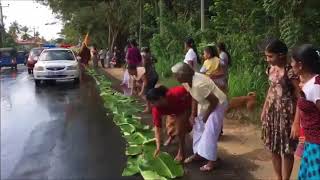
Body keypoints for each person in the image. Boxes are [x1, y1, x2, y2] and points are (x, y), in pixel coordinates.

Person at [171, 62, 227, 172]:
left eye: (176, 75)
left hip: (218, 104)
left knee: (210, 131)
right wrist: (193, 114)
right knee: (198, 127)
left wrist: (206, 116)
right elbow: (194, 96)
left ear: (184, 75)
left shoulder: (198, 83)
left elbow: (214, 101)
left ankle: (213, 161)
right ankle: (199, 154)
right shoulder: (187, 82)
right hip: (206, 104)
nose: (175, 77)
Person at [261, 39, 300, 180]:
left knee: (287, 150)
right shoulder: (270, 70)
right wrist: (265, 108)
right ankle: (278, 177)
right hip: (272, 113)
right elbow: (271, 89)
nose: (267, 59)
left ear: (282, 55)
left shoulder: (291, 72)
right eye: (266, 56)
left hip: (287, 115)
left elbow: (300, 97)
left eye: (270, 56)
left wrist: (296, 122)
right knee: (273, 147)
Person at [290, 44, 320, 180]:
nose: (291, 65)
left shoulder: (314, 87)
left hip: (317, 145)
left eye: (292, 62)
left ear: (300, 65)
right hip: (311, 142)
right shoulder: (308, 83)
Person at [146, 86, 192, 162]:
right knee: (170, 127)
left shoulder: (177, 93)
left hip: (184, 107)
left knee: (180, 130)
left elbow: (192, 95)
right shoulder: (156, 109)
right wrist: (158, 147)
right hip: (172, 110)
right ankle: (171, 137)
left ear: (161, 98)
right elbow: (157, 128)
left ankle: (181, 152)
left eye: (153, 102)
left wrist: (192, 113)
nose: (151, 105)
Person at [140, 47, 159, 112]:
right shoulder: (150, 56)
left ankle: (148, 108)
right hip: (154, 76)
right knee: (150, 91)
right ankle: (149, 105)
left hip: (150, 77)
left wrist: (144, 78)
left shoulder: (145, 58)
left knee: (146, 93)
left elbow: (144, 68)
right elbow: (155, 60)